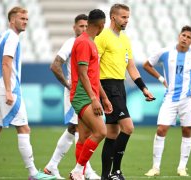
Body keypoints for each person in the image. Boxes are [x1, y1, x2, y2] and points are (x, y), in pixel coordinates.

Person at [0, 7, 55, 180]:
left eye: (27, 19)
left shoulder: (2, 36)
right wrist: (8, 91)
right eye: (21, 18)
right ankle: (32, 174)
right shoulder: (12, 38)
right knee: (24, 128)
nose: (25, 22)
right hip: (6, 89)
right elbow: (6, 64)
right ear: (12, 20)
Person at [94, 4, 155, 180]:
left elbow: (132, 67)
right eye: (123, 17)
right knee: (128, 127)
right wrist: (99, 93)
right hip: (107, 86)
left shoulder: (125, 39)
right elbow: (94, 66)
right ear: (113, 17)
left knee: (112, 133)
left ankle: (105, 176)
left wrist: (143, 88)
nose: (126, 20)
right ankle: (116, 171)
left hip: (119, 86)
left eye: (128, 17)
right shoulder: (102, 37)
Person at [143, 25, 191, 177]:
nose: (185, 39)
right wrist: (161, 79)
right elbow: (147, 64)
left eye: (188, 37)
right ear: (179, 36)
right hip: (170, 98)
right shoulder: (166, 52)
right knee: (161, 129)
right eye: (183, 35)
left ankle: (182, 167)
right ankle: (155, 167)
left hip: (188, 100)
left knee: (187, 130)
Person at [44, 14, 100, 180]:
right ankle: (85, 171)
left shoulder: (88, 43)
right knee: (79, 131)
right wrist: (69, 85)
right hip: (77, 94)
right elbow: (55, 65)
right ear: (74, 27)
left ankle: (52, 166)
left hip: (85, 93)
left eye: (85, 26)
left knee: (74, 130)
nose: (83, 29)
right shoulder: (72, 43)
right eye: (80, 26)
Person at [69, 9, 113, 180]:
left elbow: (94, 76)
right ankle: (78, 170)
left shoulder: (90, 42)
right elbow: (82, 74)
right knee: (101, 131)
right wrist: (94, 99)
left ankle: (78, 172)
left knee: (84, 137)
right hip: (83, 96)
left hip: (89, 95)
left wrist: (104, 97)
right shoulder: (84, 43)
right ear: (101, 25)